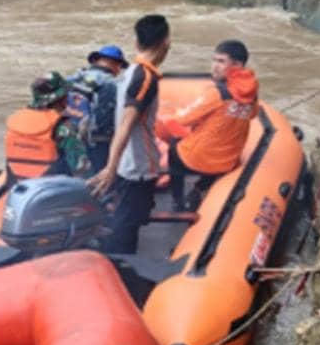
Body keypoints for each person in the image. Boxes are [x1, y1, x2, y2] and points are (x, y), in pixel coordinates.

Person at [89, 14, 172, 254]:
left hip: (129, 161)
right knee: (128, 223)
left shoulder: (130, 71)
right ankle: (121, 267)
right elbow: (127, 123)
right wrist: (111, 167)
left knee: (128, 217)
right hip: (137, 166)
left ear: (136, 44)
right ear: (166, 43)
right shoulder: (145, 77)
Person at [158, 39, 259, 212]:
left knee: (174, 148)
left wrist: (167, 114)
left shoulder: (215, 93)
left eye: (221, 61)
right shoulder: (252, 92)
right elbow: (253, 114)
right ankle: (200, 187)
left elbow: (183, 119)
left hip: (201, 159)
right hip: (228, 160)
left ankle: (178, 203)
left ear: (237, 65)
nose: (214, 66)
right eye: (214, 60)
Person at [4, 71, 91, 182]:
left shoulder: (15, 122)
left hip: (17, 185)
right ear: (61, 98)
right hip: (51, 188)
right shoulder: (63, 127)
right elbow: (81, 167)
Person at [67, 44, 128, 174]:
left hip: (69, 138)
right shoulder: (114, 84)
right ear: (115, 64)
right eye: (120, 67)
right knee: (99, 183)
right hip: (97, 143)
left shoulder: (74, 77)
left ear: (96, 60)